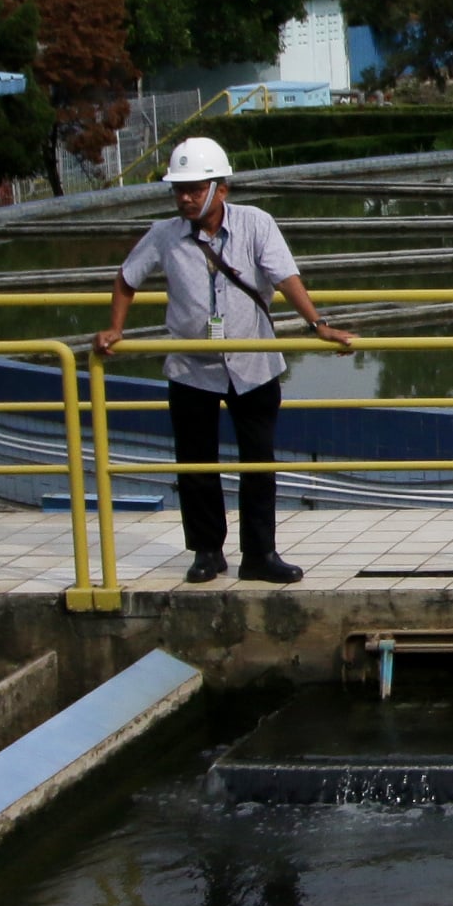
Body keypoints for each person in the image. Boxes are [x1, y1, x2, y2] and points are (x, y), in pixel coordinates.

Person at [96, 137, 355, 583]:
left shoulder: (256, 223)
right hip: (191, 369)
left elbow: (285, 276)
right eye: (179, 189)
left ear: (222, 188)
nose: (185, 197)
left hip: (253, 365)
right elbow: (125, 279)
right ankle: (207, 551)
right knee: (196, 464)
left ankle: (259, 555)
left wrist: (318, 325)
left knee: (258, 464)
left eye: (195, 188)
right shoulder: (164, 235)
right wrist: (115, 328)